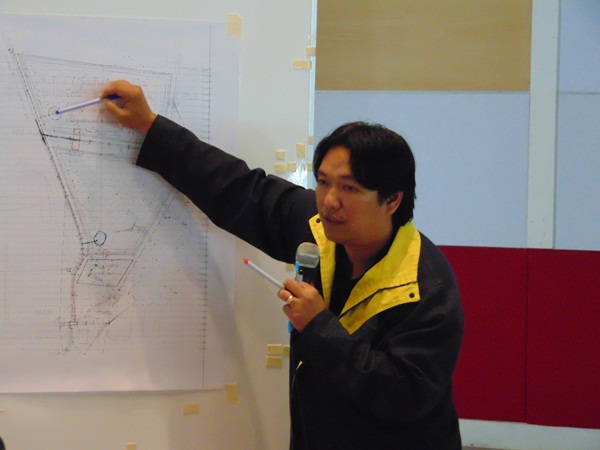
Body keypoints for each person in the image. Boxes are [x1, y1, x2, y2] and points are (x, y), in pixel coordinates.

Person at [101, 80, 464, 449]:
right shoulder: (318, 228)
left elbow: (405, 395)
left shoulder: (427, 286)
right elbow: (238, 189)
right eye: (323, 182)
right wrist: (149, 125)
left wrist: (319, 327)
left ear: (392, 200)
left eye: (349, 188)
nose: (330, 201)